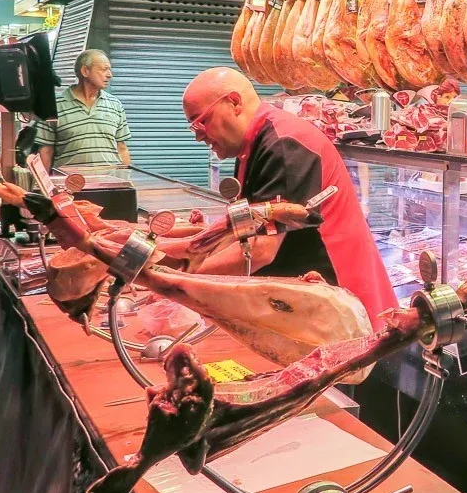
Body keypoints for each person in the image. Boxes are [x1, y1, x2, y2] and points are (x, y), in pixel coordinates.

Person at [180, 67, 397, 324]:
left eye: (200, 121)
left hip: (342, 305)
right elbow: (246, 232)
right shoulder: (253, 144)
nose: (197, 136)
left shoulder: (283, 144)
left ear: (234, 102)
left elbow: (261, 250)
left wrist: (179, 284)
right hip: (306, 303)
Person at [35, 49, 132, 170]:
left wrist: (127, 181)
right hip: (70, 185)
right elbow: (46, 151)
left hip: (109, 183)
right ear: (85, 71)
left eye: (109, 70)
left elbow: (121, 148)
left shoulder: (115, 105)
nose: (109, 74)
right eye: (104, 69)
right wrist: (42, 186)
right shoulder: (54, 106)